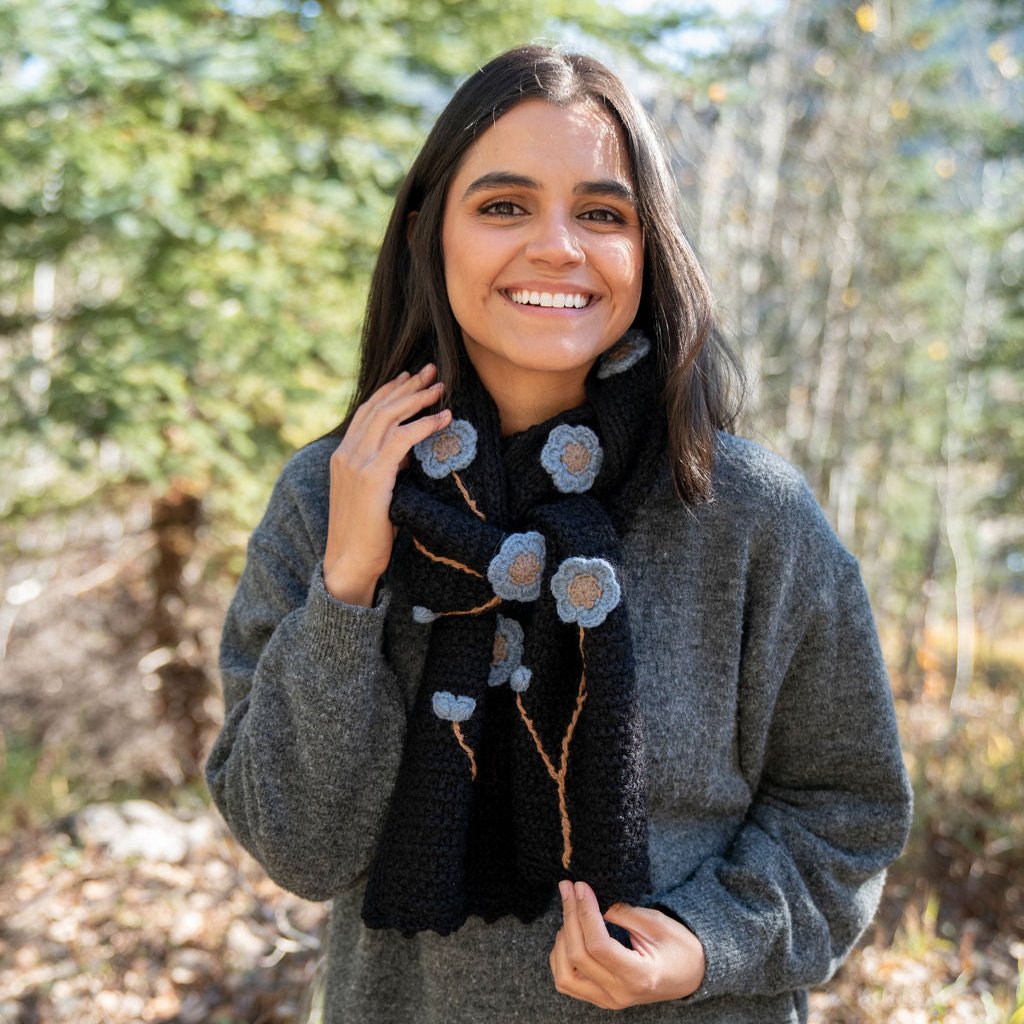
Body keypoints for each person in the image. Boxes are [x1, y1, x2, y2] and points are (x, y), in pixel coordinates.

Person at [205, 44, 912, 1024]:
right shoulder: (330, 496)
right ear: (428, 231)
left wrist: (708, 941)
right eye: (503, 206)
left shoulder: (747, 512)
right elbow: (297, 843)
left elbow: (847, 809)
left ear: (646, 244)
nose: (557, 246)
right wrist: (350, 583)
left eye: (601, 212)